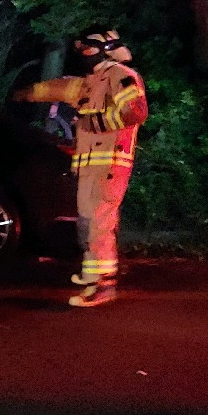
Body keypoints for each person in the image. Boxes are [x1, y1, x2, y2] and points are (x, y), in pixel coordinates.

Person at [64, 25, 149, 307]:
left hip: (110, 163)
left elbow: (136, 112)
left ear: (105, 49)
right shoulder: (96, 80)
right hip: (90, 166)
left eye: (88, 48)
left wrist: (96, 123)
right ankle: (91, 280)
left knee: (100, 223)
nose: (84, 54)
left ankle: (105, 286)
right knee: (88, 223)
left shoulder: (121, 76)